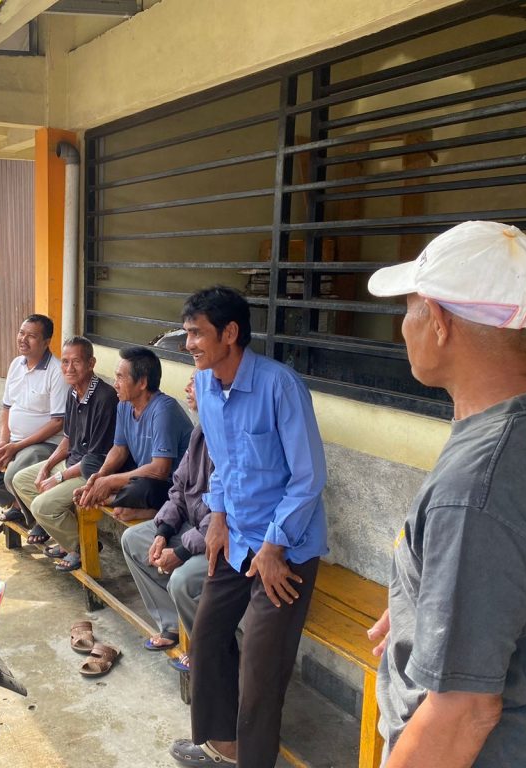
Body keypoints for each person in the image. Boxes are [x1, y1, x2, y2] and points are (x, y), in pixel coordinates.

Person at [364, 220, 526, 767]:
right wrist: (426, 606)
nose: (404, 328)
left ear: (439, 320)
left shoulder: (479, 483)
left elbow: (464, 713)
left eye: (409, 309)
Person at [171, 286, 327, 768]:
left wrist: (274, 546)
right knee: (208, 636)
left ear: (230, 333)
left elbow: (308, 477)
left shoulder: (281, 386)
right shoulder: (207, 388)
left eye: (197, 333)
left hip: (286, 549)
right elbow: (223, 463)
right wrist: (218, 518)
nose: (189, 344)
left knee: (261, 670)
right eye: (187, 333)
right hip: (236, 539)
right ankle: (224, 744)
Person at [72, 346, 194, 572]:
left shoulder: (164, 410)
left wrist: (110, 482)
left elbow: (160, 469)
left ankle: (126, 502)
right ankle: (115, 497)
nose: (115, 383)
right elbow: (119, 449)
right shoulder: (124, 405)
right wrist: (100, 476)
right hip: (140, 473)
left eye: (121, 377)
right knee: (90, 463)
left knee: (143, 488)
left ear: (142, 382)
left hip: (167, 485)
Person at [121, 371, 212, 654]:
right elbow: (178, 490)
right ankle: (172, 623)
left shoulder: (231, 439)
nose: (187, 388)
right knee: (134, 540)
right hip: (192, 527)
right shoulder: (200, 432)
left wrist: (181, 552)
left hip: (221, 539)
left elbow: (222, 519)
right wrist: (163, 532)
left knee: (181, 580)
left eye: (195, 383)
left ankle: (206, 651)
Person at [10, 336, 118, 555]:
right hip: (72, 463)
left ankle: (82, 549)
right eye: (65, 362)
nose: (69, 368)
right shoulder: (73, 392)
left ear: (91, 363)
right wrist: (46, 466)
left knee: (42, 506)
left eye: (76, 362)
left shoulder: (105, 398)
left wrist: (58, 477)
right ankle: (65, 536)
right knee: (20, 480)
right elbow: (68, 439)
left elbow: (96, 459)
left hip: (92, 472)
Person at [0, 314, 66, 522]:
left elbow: (58, 423)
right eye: (21, 333)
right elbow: (6, 408)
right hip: (12, 437)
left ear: (46, 342)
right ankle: (16, 503)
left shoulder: (56, 372)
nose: (23, 339)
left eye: (32, 336)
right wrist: (4, 441)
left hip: (43, 443)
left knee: (12, 475)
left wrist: (16, 447)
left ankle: (36, 517)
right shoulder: (16, 364)